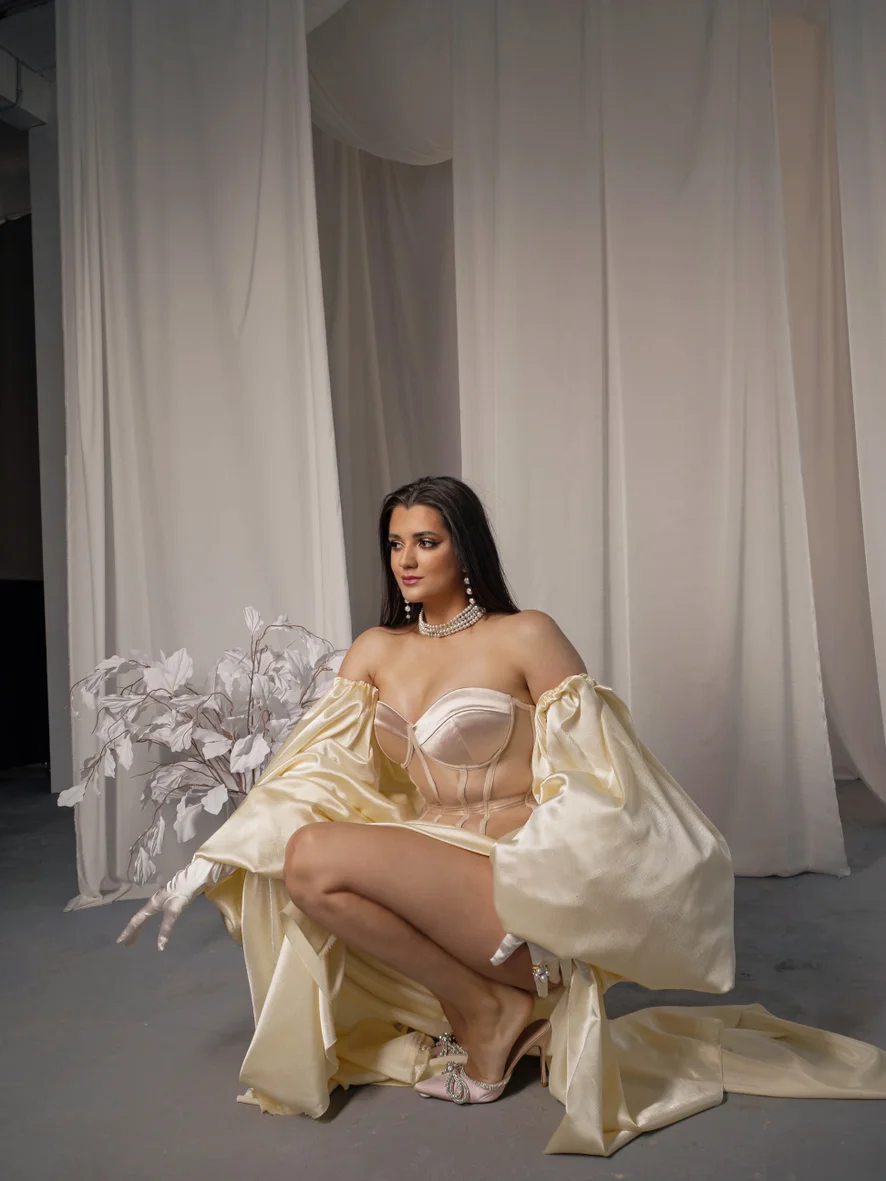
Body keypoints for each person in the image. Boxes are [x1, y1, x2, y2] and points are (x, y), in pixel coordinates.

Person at [118, 475, 886, 1156]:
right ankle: (483, 1006)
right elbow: (312, 773)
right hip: (432, 878)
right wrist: (217, 854)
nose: (407, 559)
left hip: (515, 894)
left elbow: (603, 775)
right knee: (308, 869)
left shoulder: (525, 634)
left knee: (314, 855)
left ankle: (502, 999)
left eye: (427, 540)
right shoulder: (375, 649)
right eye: (396, 543)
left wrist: (556, 879)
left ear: (465, 547)